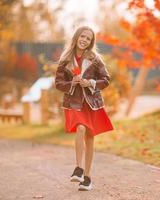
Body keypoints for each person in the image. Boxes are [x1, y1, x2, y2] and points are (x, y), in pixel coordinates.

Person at [55, 26, 114, 191]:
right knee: (80, 128)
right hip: (74, 103)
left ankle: (87, 178)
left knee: (90, 137)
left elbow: (106, 79)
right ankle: (78, 168)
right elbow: (58, 83)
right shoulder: (65, 59)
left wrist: (91, 83)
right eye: (82, 36)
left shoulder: (95, 59)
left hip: (91, 103)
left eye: (88, 38)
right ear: (76, 37)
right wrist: (71, 84)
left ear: (91, 42)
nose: (84, 40)